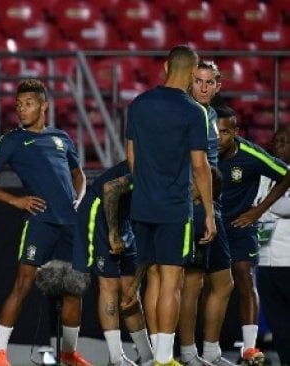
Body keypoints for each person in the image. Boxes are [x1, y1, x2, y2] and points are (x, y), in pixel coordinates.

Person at [0, 79, 90, 366]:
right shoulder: (11, 141)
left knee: (73, 290)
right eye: (18, 105)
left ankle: (68, 353)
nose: (21, 110)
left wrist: (78, 200)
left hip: (69, 225)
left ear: (44, 106)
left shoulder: (62, 138)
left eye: (28, 104)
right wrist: (16, 201)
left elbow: (79, 174)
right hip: (40, 223)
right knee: (23, 285)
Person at [125, 45, 215, 366]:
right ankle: (165, 359)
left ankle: (151, 358)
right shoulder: (194, 111)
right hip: (174, 207)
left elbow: (132, 158)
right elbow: (201, 165)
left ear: (165, 67)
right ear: (193, 73)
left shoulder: (139, 104)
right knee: (172, 282)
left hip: (142, 205)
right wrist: (209, 213)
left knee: (153, 280)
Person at [216, 105, 290, 363]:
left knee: (248, 281)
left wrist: (258, 210)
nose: (218, 138)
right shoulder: (201, 150)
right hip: (218, 231)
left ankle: (251, 349)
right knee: (201, 287)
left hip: (262, 243)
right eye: (277, 140)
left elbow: (285, 188)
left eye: (224, 132)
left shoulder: (255, 159)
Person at [178, 60, 235, 366]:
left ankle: (211, 352)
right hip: (196, 208)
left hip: (214, 207)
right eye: (197, 81)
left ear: (217, 85)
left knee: (223, 282)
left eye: (208, 82)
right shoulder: (188, 112)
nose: (202, 86)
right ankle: (189, 353)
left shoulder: (211, 114)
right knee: (193, 283)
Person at [78, 160, 153, 365]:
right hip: (100, 210)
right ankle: (116, 358)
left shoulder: (173, 172)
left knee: (130, 290)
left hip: (124, 217)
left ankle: (147, 356)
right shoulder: (149, 167)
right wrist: (113, 232)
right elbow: (110, 188)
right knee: (109, 284)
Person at [256, 125, 290, 365]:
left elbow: (285, 208)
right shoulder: (266, 174)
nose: (279, 145)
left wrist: (262, 208)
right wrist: (264, 208)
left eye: (285, 141)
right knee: (279, 323)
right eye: (277, 140)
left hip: (288, 260)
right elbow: (255, 206)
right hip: (265, 260)